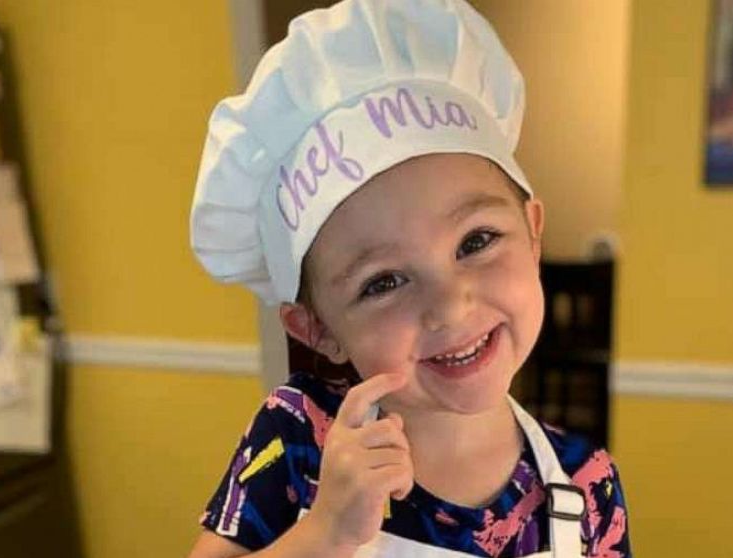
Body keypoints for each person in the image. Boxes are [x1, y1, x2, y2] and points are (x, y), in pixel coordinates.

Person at [187, 1, 632, 556]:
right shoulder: (299, 438)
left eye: (476, 241)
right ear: (316, 327)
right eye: (383, 282)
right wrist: (325, 532)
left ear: (534, 232)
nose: (450, 305)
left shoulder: (587, 484)